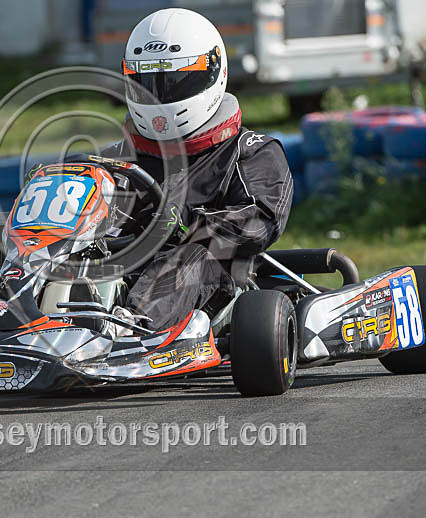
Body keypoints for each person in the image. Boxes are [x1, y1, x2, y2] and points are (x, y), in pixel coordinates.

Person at [102, 8, 294, 332]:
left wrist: (188, 224)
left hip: (214, 281)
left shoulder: (248, 151)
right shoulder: (116, 159)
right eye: (147, 81)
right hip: (121, 269)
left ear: (210, 73)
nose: (159, 94)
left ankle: (129, 330)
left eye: (174, 81)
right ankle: (0, 320)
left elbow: (262, 217)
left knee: (193, 255)